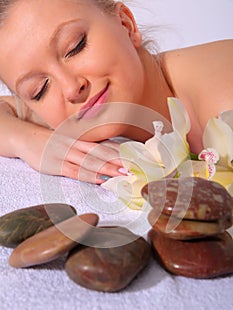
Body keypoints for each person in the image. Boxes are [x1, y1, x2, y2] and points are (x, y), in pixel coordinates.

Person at [0, 0, 232, 185]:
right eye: (39, 90)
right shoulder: (78, 109)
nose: (71, 88)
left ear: (126, 24)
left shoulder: (223, 99)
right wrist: (31, 143)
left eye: (75, 46)